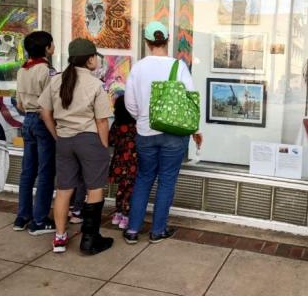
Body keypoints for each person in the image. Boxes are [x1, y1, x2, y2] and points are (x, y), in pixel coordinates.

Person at [122, 21, 202, 244]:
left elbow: (130, 103)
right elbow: (190, 99)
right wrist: (195, 129)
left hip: (146, 132)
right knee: (167, 180)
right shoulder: (179, 66)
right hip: (174, 133)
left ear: (147, 42)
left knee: (144, 178)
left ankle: (132, 230)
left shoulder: (138, 67)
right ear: (167, 40)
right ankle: (158, 230)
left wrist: (143, 119)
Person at [38, 38, 113, 255]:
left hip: (64, 140)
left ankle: (60, 238)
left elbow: (44, 111)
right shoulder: (96, 85)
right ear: (90, 60)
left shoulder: (56, 80)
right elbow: (102, 121)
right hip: (90, 140)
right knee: (94, 189)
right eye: (95, 57)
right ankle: (90, 240)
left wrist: (57, 134)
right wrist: (104, 146)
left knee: (63, 190)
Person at [13, 31, 57, 235]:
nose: (53, 47)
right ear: (47, 48)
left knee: (27, 171)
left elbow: (20, 104)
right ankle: (39, 221)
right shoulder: (47, 71)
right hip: (42, 121)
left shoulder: (22, 70)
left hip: (27, 120)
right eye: (52, 44)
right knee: (46, 171)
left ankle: (22, 216)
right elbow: (52, 102)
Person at [108, 94, 137, 229]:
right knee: (130, 189)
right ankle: (126, 216)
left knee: (120, 188)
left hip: (119, 161)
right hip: (132, 161)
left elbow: (111, 141)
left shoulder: (116, 124)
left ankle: (117, 213)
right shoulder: (134, 125)